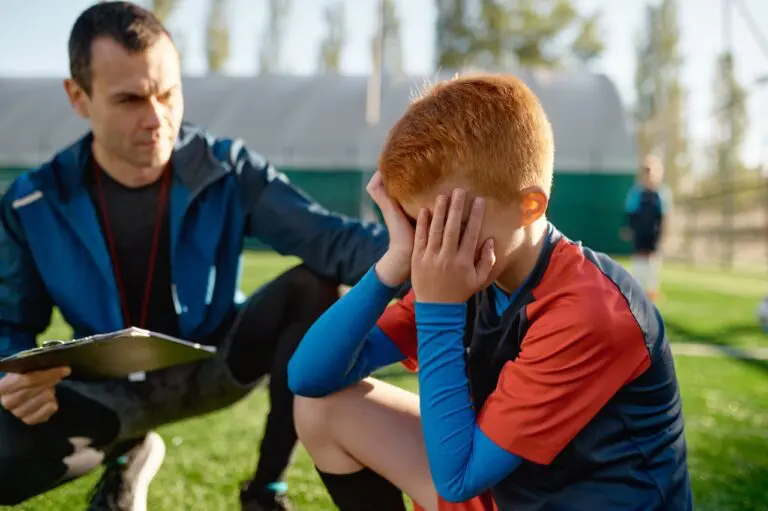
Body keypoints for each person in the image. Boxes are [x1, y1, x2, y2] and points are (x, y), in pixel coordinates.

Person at [0, 2, 389, 510]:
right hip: (106, 389)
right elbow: (9, 323)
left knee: (314, 288)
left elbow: (332, 242)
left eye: (167, 93)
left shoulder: (226, 167)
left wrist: (428, 250)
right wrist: (13, 378)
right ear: (79, 97)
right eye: (130, 99)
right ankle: (127, 453)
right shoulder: (34, 202)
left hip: (216, 362)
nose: (156, 118)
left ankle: (265, 491)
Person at [288, 74, 693, 510]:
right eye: (419, 226)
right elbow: (308, 377)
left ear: (528, 206)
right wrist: (392, 264)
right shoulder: (473, 268)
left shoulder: (591, 309)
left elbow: (457, 480)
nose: (433, 249)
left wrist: (438, 309)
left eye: (449, 223)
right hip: (508, 492)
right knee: (320, 409)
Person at [621, 155, 673, 301]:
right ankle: (636, 288)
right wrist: (627, 227)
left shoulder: (662, 193)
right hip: (639, 231)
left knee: (652, 260)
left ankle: (652, 289)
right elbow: (630, 213)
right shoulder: (636, 192)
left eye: (651, 171)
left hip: (654, 232)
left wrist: (665, 234)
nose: (648, 175)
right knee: (638, 258)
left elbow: (665, 216)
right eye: (645, 172)